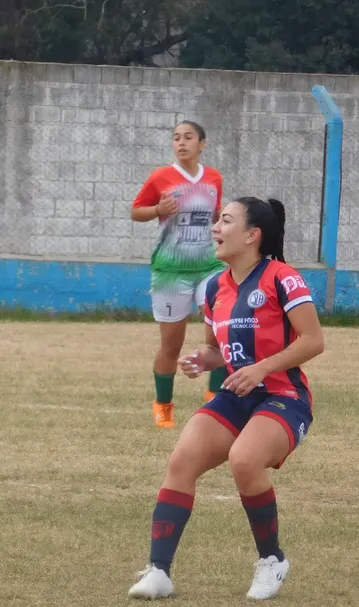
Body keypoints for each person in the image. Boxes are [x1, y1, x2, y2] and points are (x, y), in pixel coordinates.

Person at [127, 196, 325, 601]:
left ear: (253, 235)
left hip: (284, 395)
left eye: (226, 221)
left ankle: (272, 561)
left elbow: (314, 341)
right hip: (237, 394)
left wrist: (262, 368)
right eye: (217, 221)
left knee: (244, 459)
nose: (215, 227)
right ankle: (159, 572)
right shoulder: (215, 286)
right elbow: (217, 350)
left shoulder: (282, 278)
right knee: (182, 460)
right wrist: (201, 360)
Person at [130, 120, 226, 429]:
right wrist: (158, 210)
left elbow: (217, 216)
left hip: (209, 269)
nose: (181, 143)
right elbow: (136, 211)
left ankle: (217, 397)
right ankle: (163, 406)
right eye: (175, 138)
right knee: (172, 344)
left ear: (202, 144)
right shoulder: (161, 177)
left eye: (188, 137)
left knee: (220, 336)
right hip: (171, 272)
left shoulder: (213, 178)